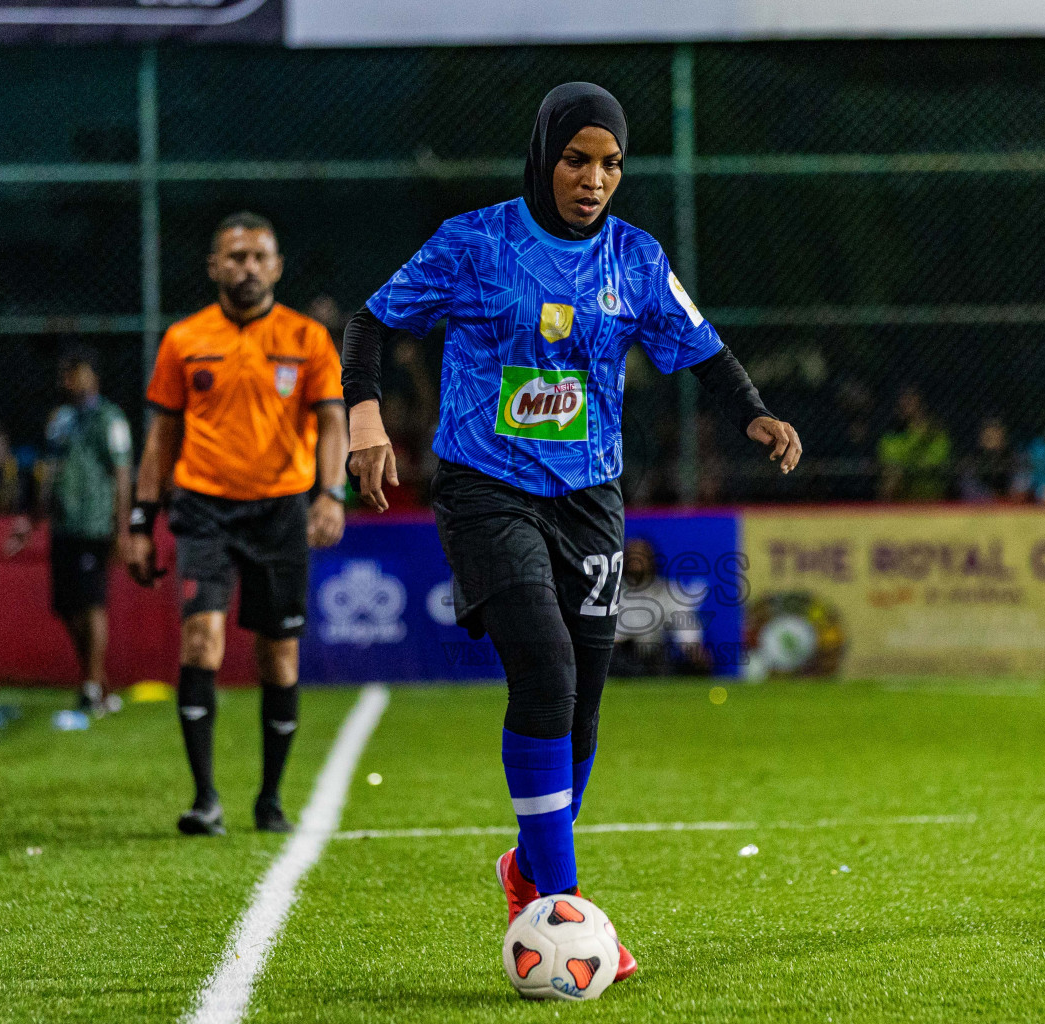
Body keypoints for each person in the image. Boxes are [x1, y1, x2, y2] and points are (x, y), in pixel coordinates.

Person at [342, 83, 802, 982]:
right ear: (544, 156)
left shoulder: (634, 257)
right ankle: (568, 908)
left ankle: (529, 868)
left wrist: (752, 412)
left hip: (590, 497)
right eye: (576, 159)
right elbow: (369, 322)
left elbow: (698, 341)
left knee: (584, 702)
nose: (594, 180)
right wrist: (364, 418)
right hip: (486, 488)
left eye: (611, 164)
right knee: (545, 669)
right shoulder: (475, 243)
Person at [125, 211, 347, 837]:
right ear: (214, 267)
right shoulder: (184, 339)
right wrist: (141, 520)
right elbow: (162, 436)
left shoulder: (307, 339)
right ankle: (205, 800)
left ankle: (270, 800)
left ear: (276, 267)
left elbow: (332, 421)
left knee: (279, 660)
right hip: (203, 508)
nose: (247, 267)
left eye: (258, 257)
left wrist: (330, 494)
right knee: (203, 642)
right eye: (235, 256)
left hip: (281, 509)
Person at [7, 347, 134, 713]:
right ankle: (96, 681)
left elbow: (122, 474)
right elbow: (49, 474)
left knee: (92, 604)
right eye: (67, 374)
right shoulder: (60, 420)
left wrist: (120, 528)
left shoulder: (110, 419)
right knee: (65, 607)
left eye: (77, 373)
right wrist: (32, 522)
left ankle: (92, 685)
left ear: (93, 377)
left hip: (96, 525)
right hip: (64, 524)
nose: (71, 381)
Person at [610, 538, 710, 677]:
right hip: (618, 655)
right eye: (632, 555)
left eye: (642, 556)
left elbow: (684, 624)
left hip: (653, 657)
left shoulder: (666, 590)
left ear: (652, 560)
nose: (636, 560)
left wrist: (693, 647)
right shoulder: (612, 591)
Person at [877, 386, 951, 501]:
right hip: (901, 499)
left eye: (910, 401)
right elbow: (891, 464)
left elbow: (938, 460)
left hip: (932, 499)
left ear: (922, 404)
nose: (906, 406)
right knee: (892, 478)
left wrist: (908, 464)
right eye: (903, 403)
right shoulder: (891, 437)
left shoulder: (937, 433)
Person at [957, 416, 1021, 503]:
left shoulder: (1012, 457)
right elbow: (968, 490)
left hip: (1008, 506)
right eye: (988, 434)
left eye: (996, 433)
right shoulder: (973, 460)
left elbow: (1019, 488)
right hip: (980, 505)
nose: (992, 437)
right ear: (981, 437)